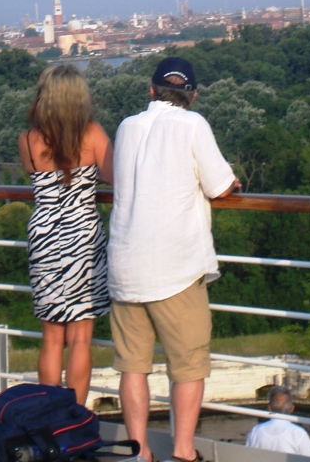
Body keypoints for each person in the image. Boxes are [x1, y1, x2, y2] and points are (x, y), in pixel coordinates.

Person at [108, 56, 239, 462]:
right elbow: (219, 185)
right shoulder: (192, 124)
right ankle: (183, 452)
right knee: (188, 365)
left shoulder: (127, 126)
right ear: (192, 95)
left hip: (125, 265)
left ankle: (139, 452)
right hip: (175, 268)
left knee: (133, 366)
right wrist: (232, 180)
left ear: (151, 91)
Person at [18, 64, 113, 406]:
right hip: (82, 234)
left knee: (52, 337)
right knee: (81, 337)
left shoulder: (28, 140)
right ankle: (74, 415)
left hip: (44, 233)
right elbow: (114, 176)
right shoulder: (92, 135)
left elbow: (38, 176)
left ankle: (50, 414)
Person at [245, 385, 310, 457]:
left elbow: (247, 456)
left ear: (269, 408)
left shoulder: (256, 431)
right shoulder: (298, 433)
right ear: (292, 408)